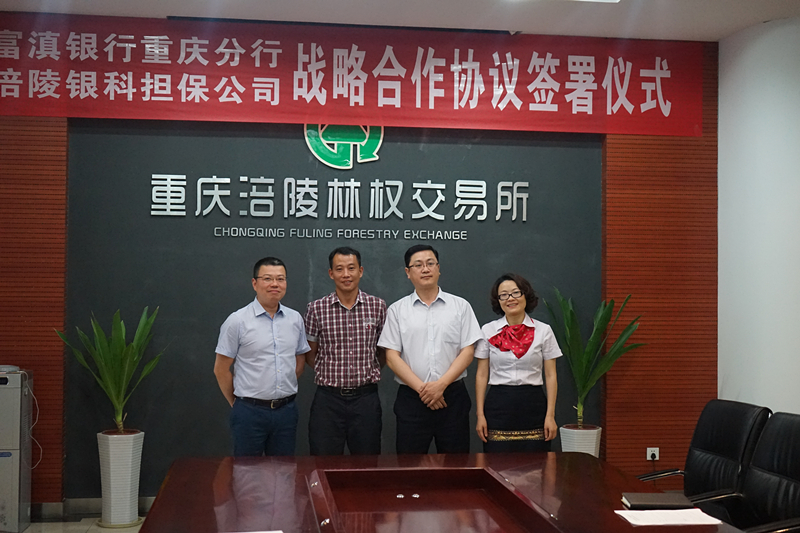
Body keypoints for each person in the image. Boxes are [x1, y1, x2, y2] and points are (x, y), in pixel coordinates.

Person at [378, 244, 482, 454]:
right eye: (418, 265)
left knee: (456, 465)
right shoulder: (397, 310)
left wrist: (440, 386)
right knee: (410, 466)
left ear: (438, 268)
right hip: (412, 399)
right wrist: (424, 391)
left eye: (430, 263)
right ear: (408, 272)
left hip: (452, 397)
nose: (425, 269)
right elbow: (391, 357)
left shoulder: (460, 306)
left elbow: (468, 351)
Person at [213, 257, 310, 456]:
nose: (275, 284)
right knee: (247, 472)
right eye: (267, 278)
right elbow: (221, 369)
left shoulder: (295, 319)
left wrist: (281, 386)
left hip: (286, 412)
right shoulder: (237, 321)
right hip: (249, 412)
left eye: (280, 279)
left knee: (284, 470)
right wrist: (238, 403)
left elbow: (300, 358)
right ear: (254, 283)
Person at [304, 246, 387, 455]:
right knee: (323, 462)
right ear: (331, 273)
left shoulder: (377, 307)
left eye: (351, 268)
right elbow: (310, 353)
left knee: (367, 462)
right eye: (339, 269)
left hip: (366, 399)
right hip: (328, 401)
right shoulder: (316, 309)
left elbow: (384, 352)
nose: (346, 274)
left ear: (361, 271)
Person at [475, 273, 561, 452]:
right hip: (498, 405)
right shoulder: (488, 330)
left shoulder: (544, 330)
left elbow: (551, 375)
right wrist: (480, 415)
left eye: (515, 293)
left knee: (536, 464)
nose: (510, 298)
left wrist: (550, 416)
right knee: (497, 462)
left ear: (525, 295)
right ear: (498, 300)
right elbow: (481, 374)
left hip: (533, 404)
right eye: (503, 295)